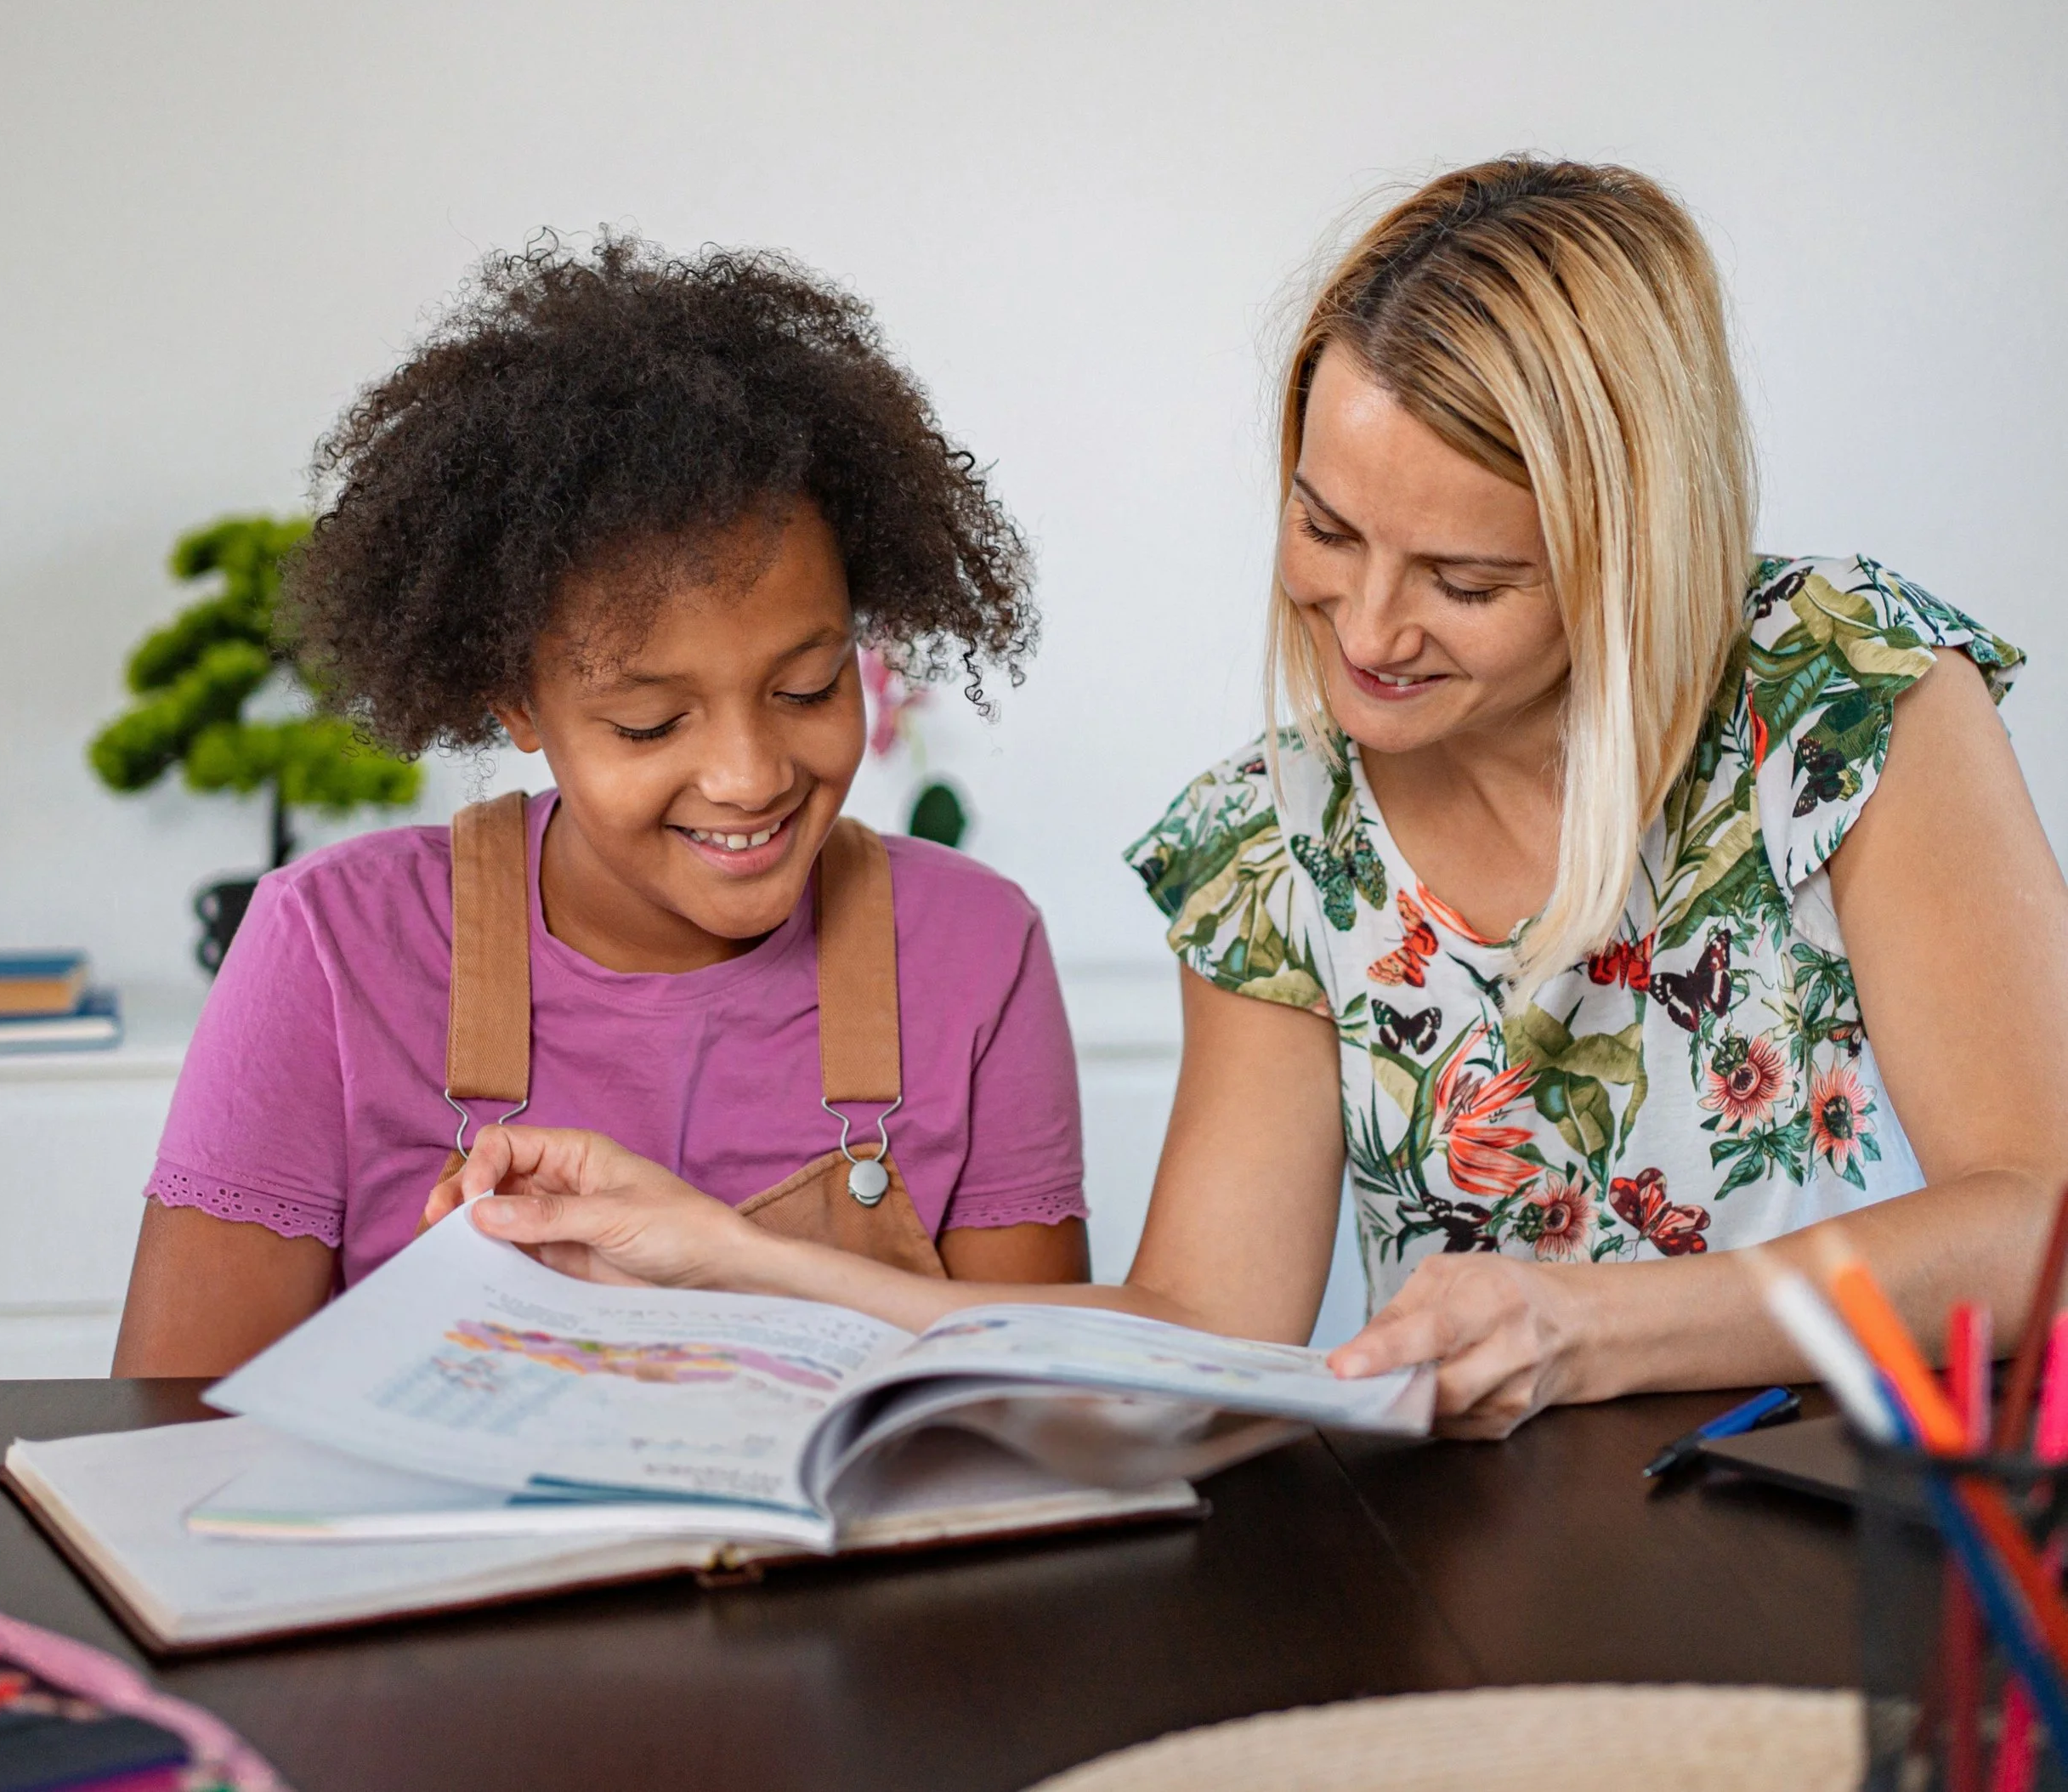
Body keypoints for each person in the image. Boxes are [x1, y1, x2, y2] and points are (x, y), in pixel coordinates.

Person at [419, 162, 2068, 1438]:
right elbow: (1195, 1340)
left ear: (1634, 553)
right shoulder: (1280, 849)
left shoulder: (1841, 696)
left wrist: (1588, 1327)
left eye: (1465, 579)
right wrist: (723, 1255)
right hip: (1493, 1588)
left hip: (1880, 1542)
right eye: (1325, 527)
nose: (1368, 630)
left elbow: (2037, 1219)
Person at [113, 237, 1090, 1379]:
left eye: (806, 689)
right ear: (516, 700)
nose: (749, 777)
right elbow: (171, 1435)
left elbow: (1045, 1415)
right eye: (650, 723)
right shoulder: (333, 949)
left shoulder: (975, 951)